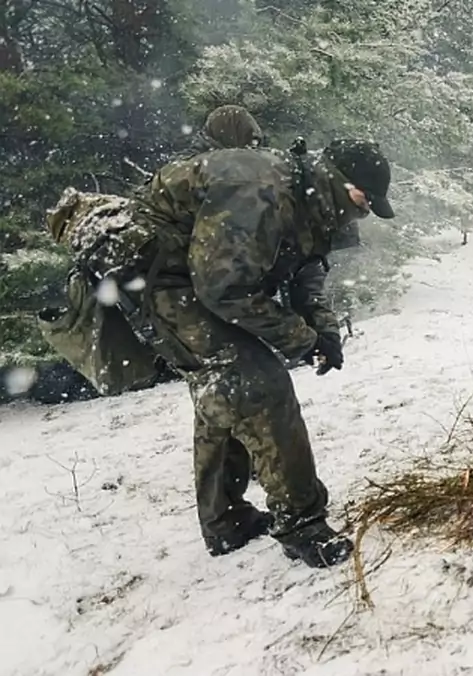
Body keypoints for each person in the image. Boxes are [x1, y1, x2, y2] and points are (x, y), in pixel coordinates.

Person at [128, 138, 396, 567]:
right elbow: (224, 288)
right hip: (164, 279)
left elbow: (307, 271)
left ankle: (226, 521)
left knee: (225, 392)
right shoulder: (260, 191)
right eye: (363, 200)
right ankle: (302, 526)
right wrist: (300, 340)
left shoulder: (312, 198)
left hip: (200, 280)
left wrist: (323, 333)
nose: (363, 212)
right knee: (257, 384)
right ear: (341, 183)